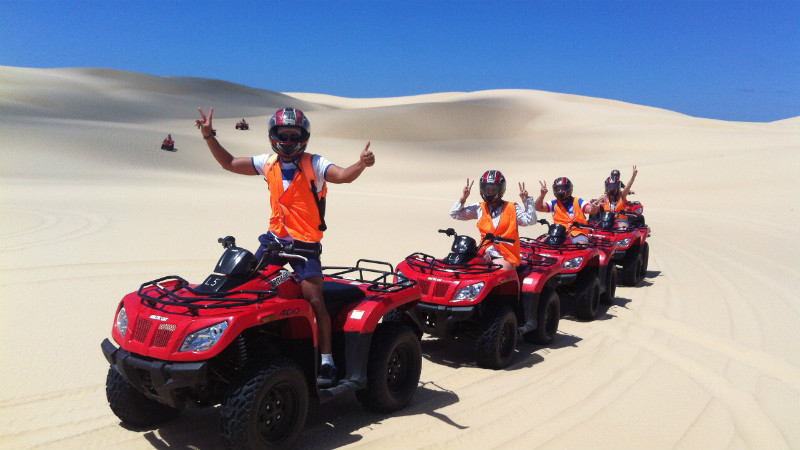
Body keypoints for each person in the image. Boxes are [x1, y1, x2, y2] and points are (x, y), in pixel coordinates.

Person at [195, 106, 375, 387]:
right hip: (274, 240)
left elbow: (342, 175)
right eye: (284, 133)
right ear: (274, 134)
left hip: (305, 244)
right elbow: (229, 163)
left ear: (303, 137)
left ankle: (326, 361)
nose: (289, 139)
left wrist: (361, 163)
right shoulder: (267, 163)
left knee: (315, 300)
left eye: (294, 134)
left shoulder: (315, 164)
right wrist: (209, 136)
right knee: (248, 286)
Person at [450, 170, 537, 271]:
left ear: (501, 190)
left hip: (506, 256)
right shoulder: (479, 208)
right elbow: (455, 214)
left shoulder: (512, 207)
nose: (490, 192)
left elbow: (530, 220)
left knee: (492, 271)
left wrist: (527, 201)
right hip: (483, 252)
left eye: (493, 189)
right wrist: (463, 198)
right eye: (487, 188)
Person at [535, 177, 601, 244]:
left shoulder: (578, 201)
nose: (560, 191)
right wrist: (542, 195)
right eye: (558, 189)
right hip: (558, 234)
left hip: (577, 233)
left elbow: (590, 209)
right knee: (540, 244)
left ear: (569, 189)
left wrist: (594, 208)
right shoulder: (554, 203)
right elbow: (538, 207)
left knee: (582, 244)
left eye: (563, 189)